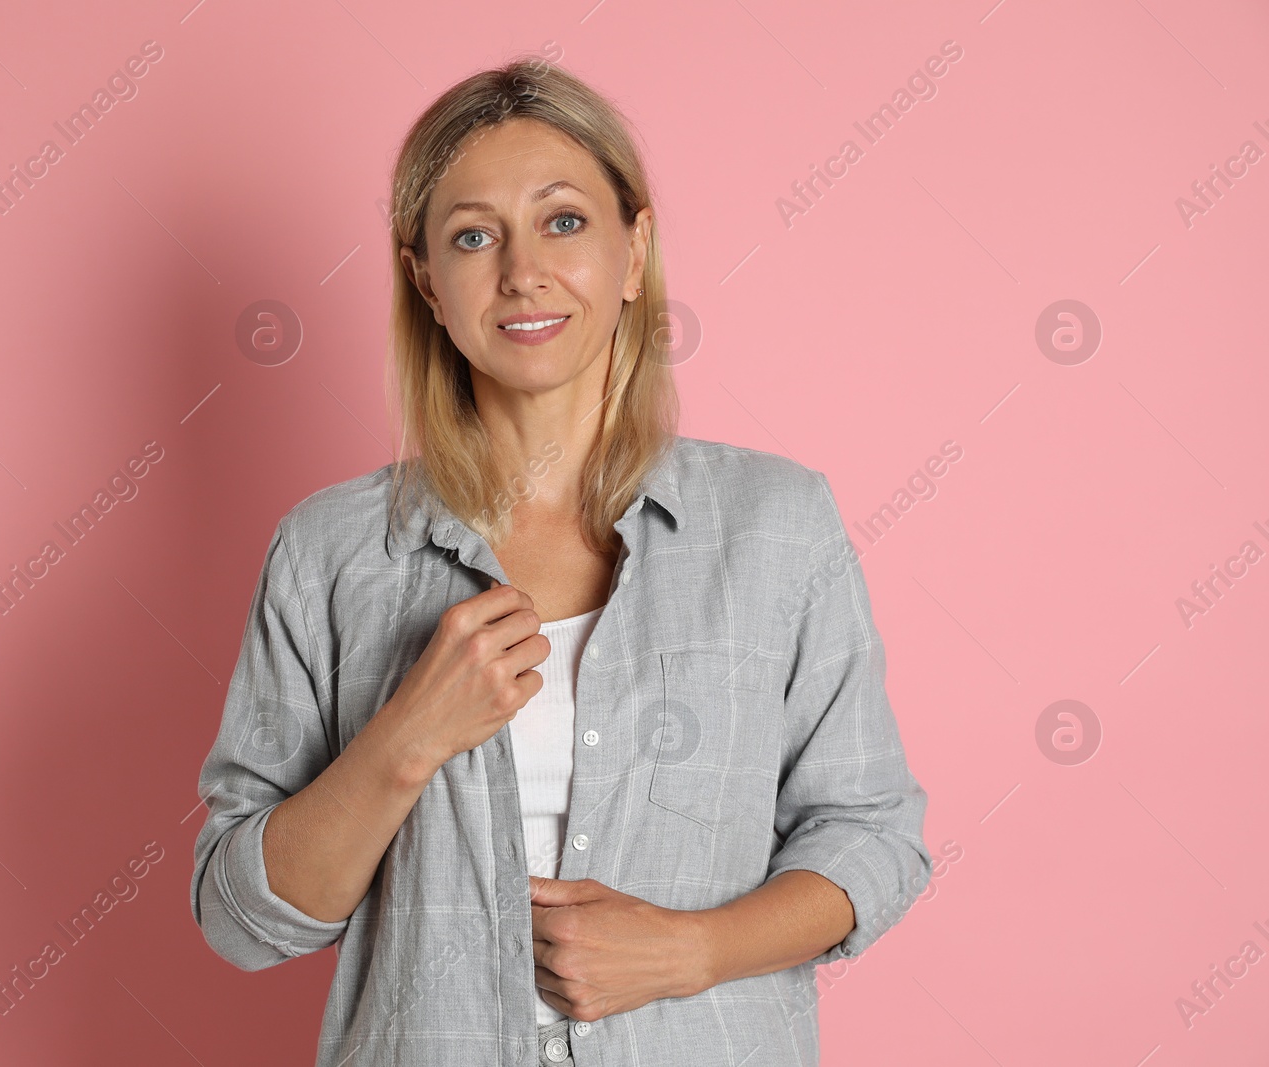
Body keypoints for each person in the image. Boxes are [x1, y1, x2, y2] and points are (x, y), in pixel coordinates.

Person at [190, 56, 932, 1067]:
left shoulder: (777, 525)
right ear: (427, 282)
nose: (521, 270)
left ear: (634, 251)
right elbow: (243, 917)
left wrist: (687, 949)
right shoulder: (329, 550)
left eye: (564, 220)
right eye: (471, 235)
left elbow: (872, 835)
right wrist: (403, 738)